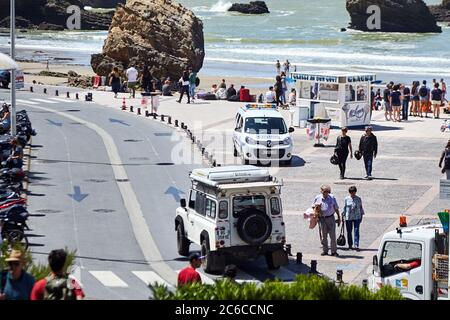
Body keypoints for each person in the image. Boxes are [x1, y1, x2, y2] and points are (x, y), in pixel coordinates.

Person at [312, 185, 341, 257]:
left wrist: (339, 217)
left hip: (331, 218)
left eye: (327, 191)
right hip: (322, 219)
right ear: (321, 191)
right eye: (324, 191)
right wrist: (316, 211)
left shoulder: (332, 197)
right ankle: (325, 250)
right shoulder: (318, 198)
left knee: (332, 236)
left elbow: (336, 207)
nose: (326, 193)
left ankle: (334, 251)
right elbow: (313, 207)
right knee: (324, 236)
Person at [342, 186, 365, 251]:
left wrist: (361, 216)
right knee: (349, 231)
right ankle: (350, 244)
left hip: (357, 217)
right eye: (351, 192)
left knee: (356, 230)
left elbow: (360, 207)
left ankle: (356, 244)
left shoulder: (358, 199)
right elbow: (345, 207)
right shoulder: (346, 199)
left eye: (353, 192)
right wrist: (343, 215)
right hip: (348, 217)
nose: (352, 194)